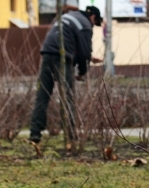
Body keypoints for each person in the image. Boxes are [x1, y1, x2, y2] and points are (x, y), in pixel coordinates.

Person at [29, 5, 103, 145]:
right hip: (62, 60)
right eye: (95, 22)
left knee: (42, 95)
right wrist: (82, 72)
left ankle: (35, 133)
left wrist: (89, 58)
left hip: (47, 54)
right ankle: (71, 134)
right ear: (93, 17)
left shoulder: (69, 17)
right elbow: (83, 53)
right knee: (68, 97)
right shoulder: (85, 25)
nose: (93, 25)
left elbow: (68, 42)